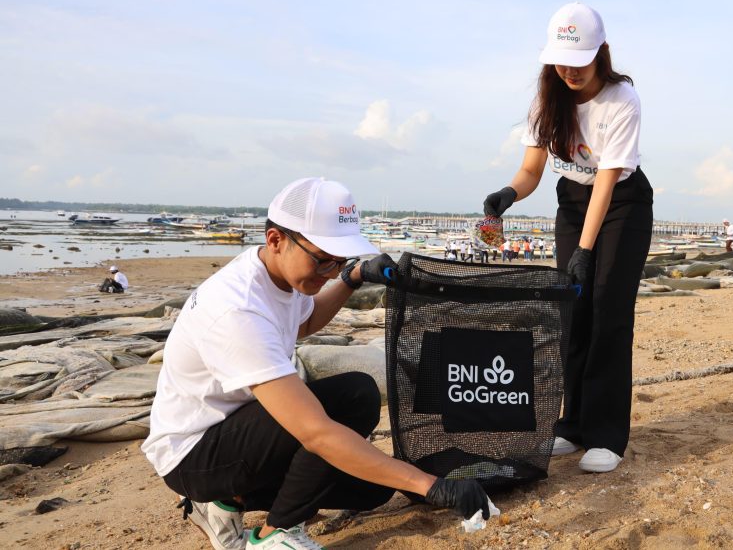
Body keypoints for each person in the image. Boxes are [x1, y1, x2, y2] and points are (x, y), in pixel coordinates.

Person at [141, 178, 489, 550]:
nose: (328, 270)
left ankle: (231, 501)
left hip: (240, 428)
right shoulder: (237, 309)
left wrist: (353, 278)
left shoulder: (278, 276)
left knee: (371, 487)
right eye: (323, 259)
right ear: (276, 240)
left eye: (339, 260)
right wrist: (431, 486)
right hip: (194, 452)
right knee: (342, 405)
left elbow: (305, 322)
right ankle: (275, 534)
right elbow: (315, 432)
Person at [481, 2, 652, 473]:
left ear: (601, 53)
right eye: (561, 60)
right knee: (573, 314)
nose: (569, 71)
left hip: (621, 204)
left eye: (579, 61)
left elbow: (607, 179)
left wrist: (584, 250)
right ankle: (571, 425)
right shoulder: (547, 100)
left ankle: (606, 435)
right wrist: (507, 195)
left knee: (608, 312)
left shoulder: (622, 100)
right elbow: (532, 169)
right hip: (572, 203)